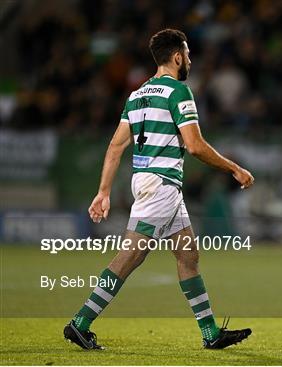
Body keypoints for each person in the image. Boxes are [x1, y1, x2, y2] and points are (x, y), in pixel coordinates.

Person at [63, 29, 254, 350]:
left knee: (188, 255)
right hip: (161, 183)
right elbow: (194, 146)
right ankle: (80, 323)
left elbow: (115, 146)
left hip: (152, 182)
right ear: (177, 56)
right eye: (188, 54)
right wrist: (234, 167)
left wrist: (103, 191)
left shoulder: (136, 96)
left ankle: (209, 333)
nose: (190, 59)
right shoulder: (179, 91)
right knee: (132, 254)